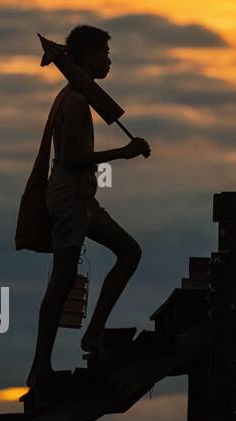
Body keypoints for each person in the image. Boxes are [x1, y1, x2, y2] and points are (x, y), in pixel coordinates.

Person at [26, 25, 150, 391]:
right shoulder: (76, 100)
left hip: (82, 198)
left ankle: (93, 332)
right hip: (69, 198)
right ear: (87, 57)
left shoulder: (78, 96)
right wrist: (124, 153)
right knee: (62, 280)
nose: (109, 60)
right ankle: (40, 369)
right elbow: (73, 157)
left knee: (129, 252)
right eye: (104, 53)